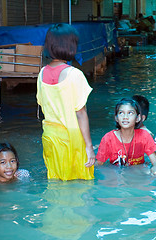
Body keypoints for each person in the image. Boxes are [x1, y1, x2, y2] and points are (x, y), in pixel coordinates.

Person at [36, 23, 95, 181]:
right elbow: (81, 113)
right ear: (70, 45)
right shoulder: (74, 75)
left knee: (55, 181)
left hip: (50, 136)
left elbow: (42, 104)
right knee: (80, 183)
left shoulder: (41, 74)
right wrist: (89, 146)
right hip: (72, 137)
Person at [96, 98, 156, 173]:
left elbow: (155, 163)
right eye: (121, 113)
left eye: (130, 113)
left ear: (138, 118)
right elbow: (99, 164)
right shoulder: (108, 138)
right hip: (116, 174)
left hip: (138, 173)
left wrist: (155, 169)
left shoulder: (144, 136)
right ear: (116, 118)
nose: (125, 117)